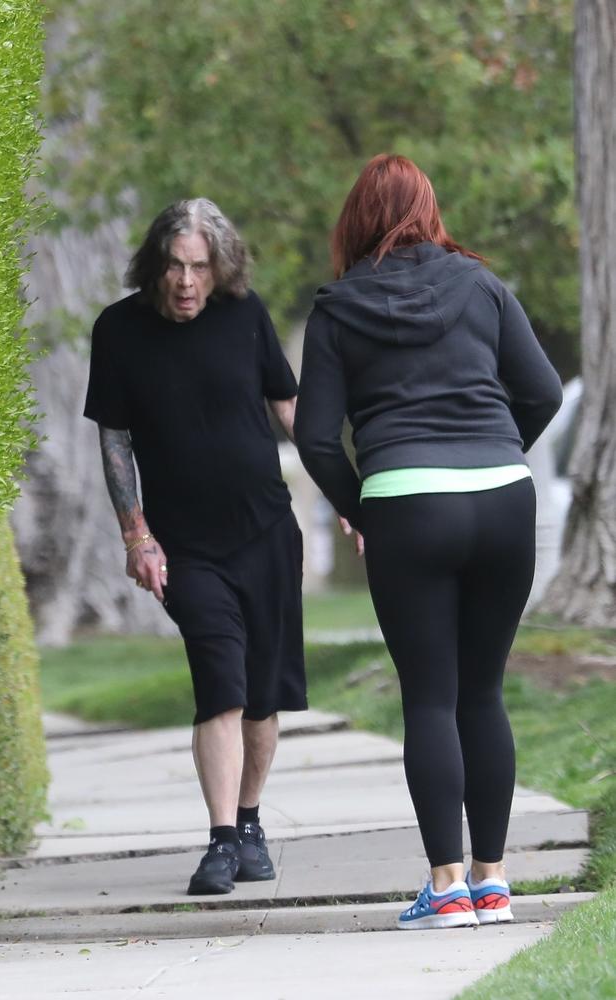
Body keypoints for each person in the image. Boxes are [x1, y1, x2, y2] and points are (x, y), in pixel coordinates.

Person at [294, 154, 563, 930]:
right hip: (504, 501)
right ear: (428, 209)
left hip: (409, 505)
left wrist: (364, 508)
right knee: (483, 691)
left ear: (355, 219)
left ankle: (446, 887)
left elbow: (316, 440)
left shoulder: (338, 309)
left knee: (432, 698)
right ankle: (494, 882)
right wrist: (496, 450)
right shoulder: (481, 285)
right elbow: (542, 389)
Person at [84, 198, 307, 895]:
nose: (186, 282)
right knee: (221, 682)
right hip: (185, 548)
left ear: (221, 268)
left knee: (264, 698)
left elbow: (288, 408)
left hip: (267, 532)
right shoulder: (119, 331)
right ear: (156, 265)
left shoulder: (246, 316)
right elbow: (115, 438)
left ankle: (248, 822)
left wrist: (351, 493)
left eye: (200, 268)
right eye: (175, 267)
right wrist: (137, 536)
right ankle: (218, 841)